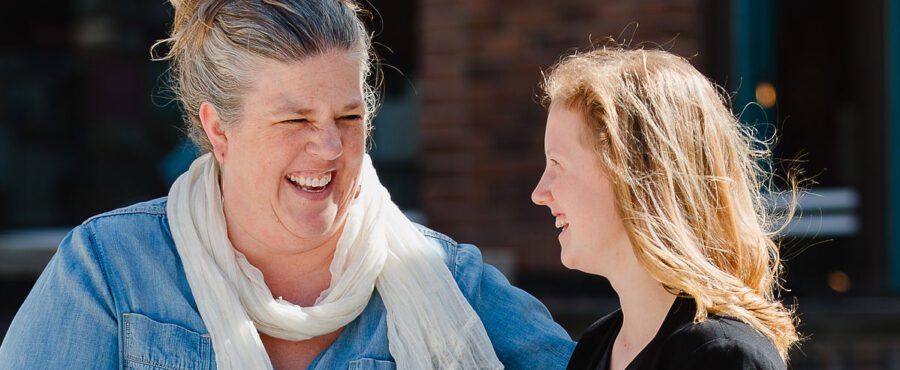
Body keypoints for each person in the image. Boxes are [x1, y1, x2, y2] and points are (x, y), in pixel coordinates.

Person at [0, 0, 575, 368]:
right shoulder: (109, 271)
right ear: (219, 129)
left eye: (349, 118)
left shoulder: (447, 280)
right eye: (295, 120)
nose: (329, 147)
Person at [531, 46, 800, 370]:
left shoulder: (722, 355)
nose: (539, 193)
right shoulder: (596, 346)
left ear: (631, 173)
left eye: (556, 163)